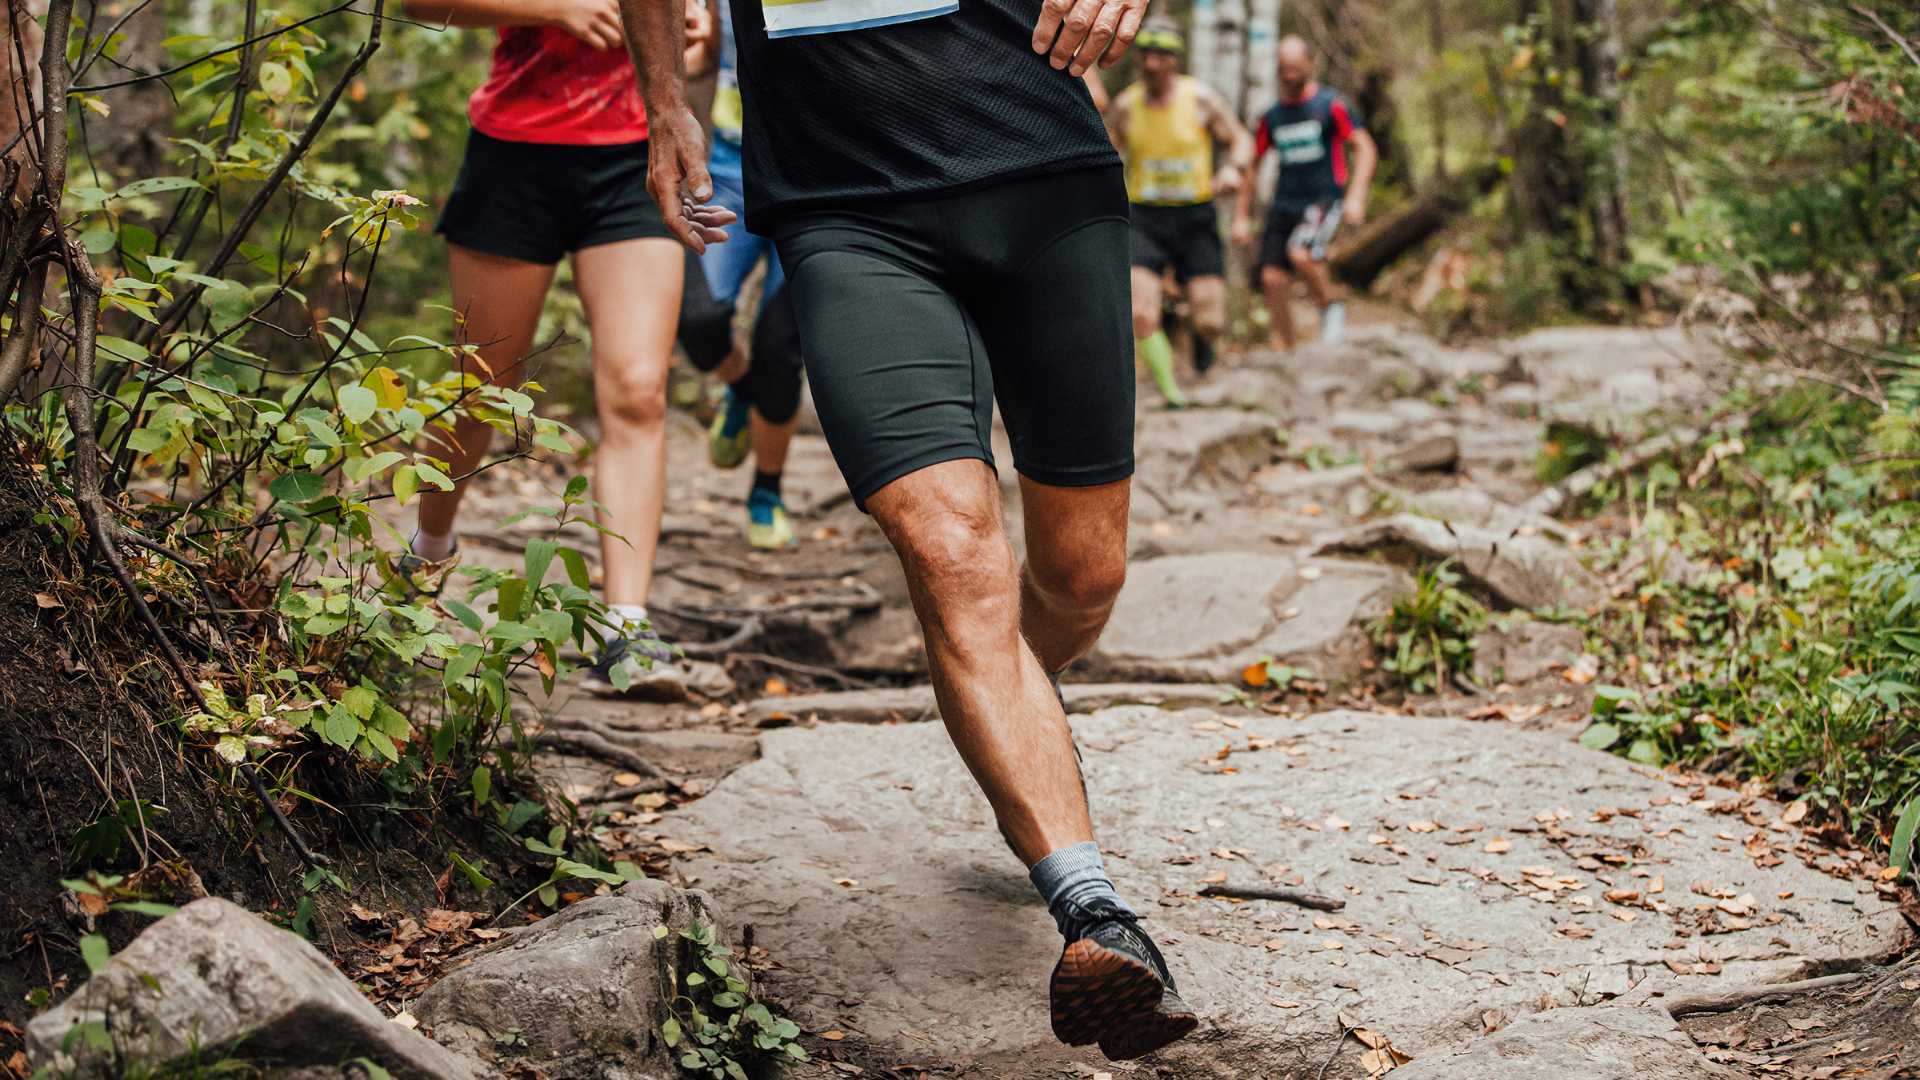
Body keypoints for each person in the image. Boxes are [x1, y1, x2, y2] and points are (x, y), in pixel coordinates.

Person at [623, 0, 1200, 1062]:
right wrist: (664, 100)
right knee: (952, 552)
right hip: (845, 211)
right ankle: (1096, 915)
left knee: (1080, 577)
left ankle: (1012, 717)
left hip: (1043, 170)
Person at [400, 0, 730, 696]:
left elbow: (695, 46)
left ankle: (626, 627)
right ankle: (427, 553)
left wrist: (692, 36)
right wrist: (557, 8)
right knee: (480, 395)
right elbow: (418, 3)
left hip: (636, 157)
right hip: (515, 153)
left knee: (639, 390)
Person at [674, 0, 805, 550]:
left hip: (821, 191)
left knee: (780, 347)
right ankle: (742, 391)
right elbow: (702, 64)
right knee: (697, 318)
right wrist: (697, 53)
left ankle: (766, 494)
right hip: (729, 175)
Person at [1106, 20, 1252, 406]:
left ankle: (1197, 336)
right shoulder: (1126, 106)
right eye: (1146, 54)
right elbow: (1105, 155)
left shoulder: (1200, 98)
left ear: (1175, 59)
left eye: (1161, 55)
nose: (1152, 63)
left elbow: (1240, 139)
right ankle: (1173, 391)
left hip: (1195, 217)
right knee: (1139, 312)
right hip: (1145, 218)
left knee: (1211, 320)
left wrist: (1232, 168)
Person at [1232, 34, 1377, 350]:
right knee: (1271, 278)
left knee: (1303, 254)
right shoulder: (1271, 117)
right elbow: (1253, 167)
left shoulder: (1330, 105)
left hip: (1323, 198)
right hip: (1284, 202)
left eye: (1295, 68)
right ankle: (1287, 350)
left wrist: (1356, 196)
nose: (1289, 75)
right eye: (1284, 69)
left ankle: (1331, 308)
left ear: (1309, 65)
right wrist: (1241, 216)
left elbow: (1365, 148)